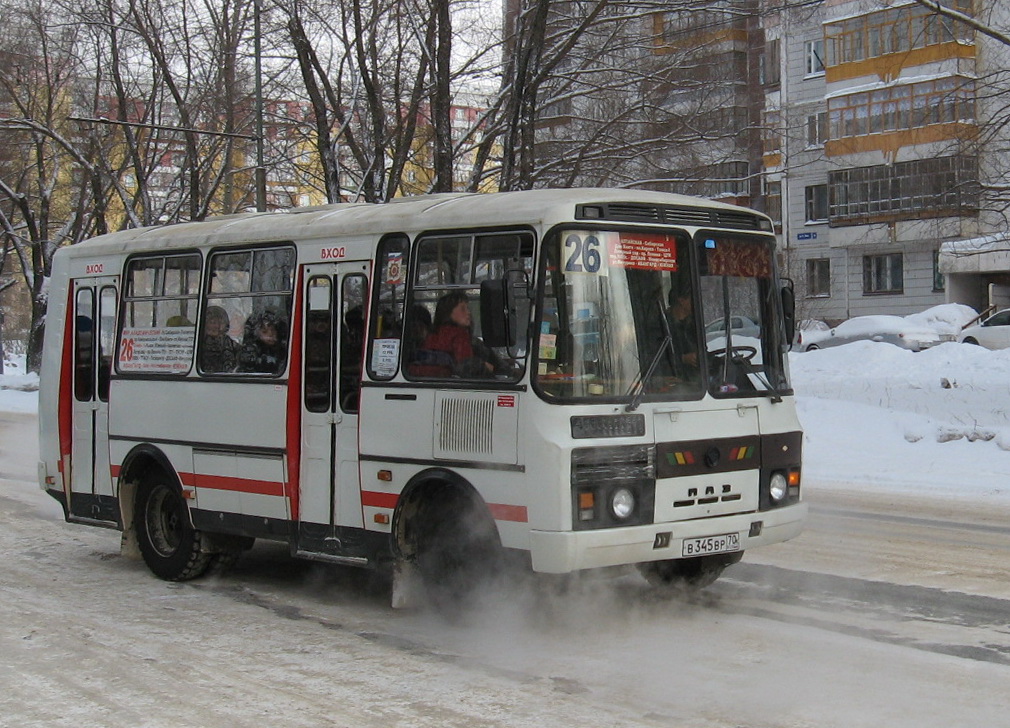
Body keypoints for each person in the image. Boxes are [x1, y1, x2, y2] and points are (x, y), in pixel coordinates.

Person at [417, 291, 499, 377]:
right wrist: (484, 366)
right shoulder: (460, 335)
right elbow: (466, 367)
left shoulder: (431, 335)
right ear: (448, 313)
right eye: (463, 309)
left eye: (468, 308)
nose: (468, 312)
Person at [238, 309, 288, 374]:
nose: (270, 334)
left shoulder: (283, 350)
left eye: (273, 330)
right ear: (255, 334)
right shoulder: (250, 353)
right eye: (264, 331)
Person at [668, 289, 699, 378]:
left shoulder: (693, 324)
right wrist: (682, 359)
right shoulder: (662, 326)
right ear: (681, 301)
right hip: (675, 383)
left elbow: (701, 353)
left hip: (697, 382)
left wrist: (720, 360)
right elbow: (656, 361)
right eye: (692, 298)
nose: (696, 302)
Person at [199, 306, 239, 373]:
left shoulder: (231, 344)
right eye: (211, 322)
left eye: (220, 322)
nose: (216, 326)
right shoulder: (198, 343)